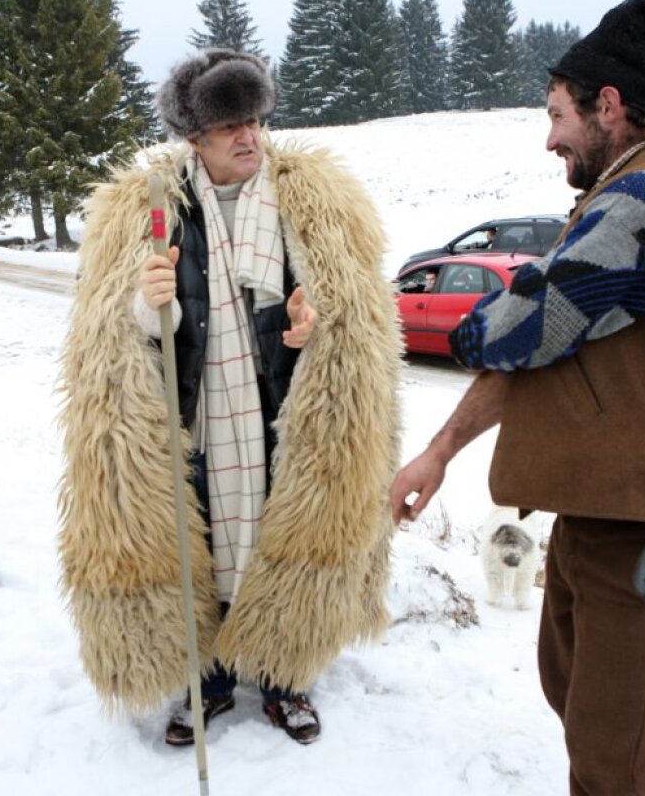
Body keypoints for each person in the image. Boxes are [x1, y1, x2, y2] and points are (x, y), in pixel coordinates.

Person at [389, 0, 645, 793]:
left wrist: (474, 324)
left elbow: (523, 327)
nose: (548, 135)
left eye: (557, 114)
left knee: (611, 754)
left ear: (610, 107)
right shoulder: (616, 195)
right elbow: (543, 354)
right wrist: (439, 452)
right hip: (602, 505)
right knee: (571, 691)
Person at [57, 49, 401, 746]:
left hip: (288, 412)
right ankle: (206, 681)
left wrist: (315, 322)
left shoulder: (311, 201)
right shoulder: (148, 208)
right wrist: (142, 305)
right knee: (203, 544)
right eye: (230, 127)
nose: (250, 137)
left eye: (255, 120)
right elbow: (106, 333)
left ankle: (284, 676)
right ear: (194, 140)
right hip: (196, 416)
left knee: (290, 534)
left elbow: (354, 308)